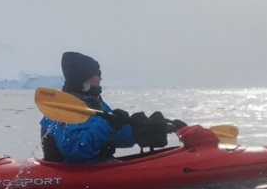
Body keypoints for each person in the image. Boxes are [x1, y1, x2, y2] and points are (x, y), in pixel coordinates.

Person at [40, 51, 185, 163]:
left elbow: (115, 136)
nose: (101, 78)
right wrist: (109, 125)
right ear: (85, 78)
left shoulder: (95, 103)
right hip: (71, 178)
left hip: (98, 167)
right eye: (98, 74)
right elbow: (77, 149)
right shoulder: (61, 109)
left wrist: (144, 129)